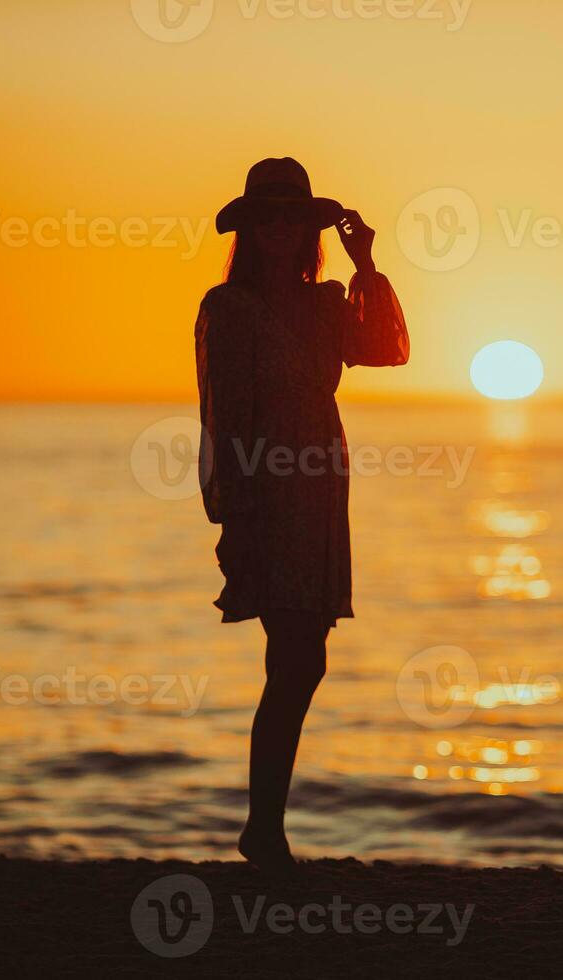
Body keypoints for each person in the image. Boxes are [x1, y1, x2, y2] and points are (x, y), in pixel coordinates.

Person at [194, 157, 409, 873]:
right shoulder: (226, 310)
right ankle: (264, 832)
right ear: (251, 229)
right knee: (293, 658)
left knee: (302, 658)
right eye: (268, 217)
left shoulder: (324, 305)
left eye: (293, 216)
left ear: (308, 228)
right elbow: (226, 419)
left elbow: (388, 350)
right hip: (268, 493)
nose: (280, 228)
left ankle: (265, 829)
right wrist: (236, 518)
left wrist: (367, 264)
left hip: (321, 488)